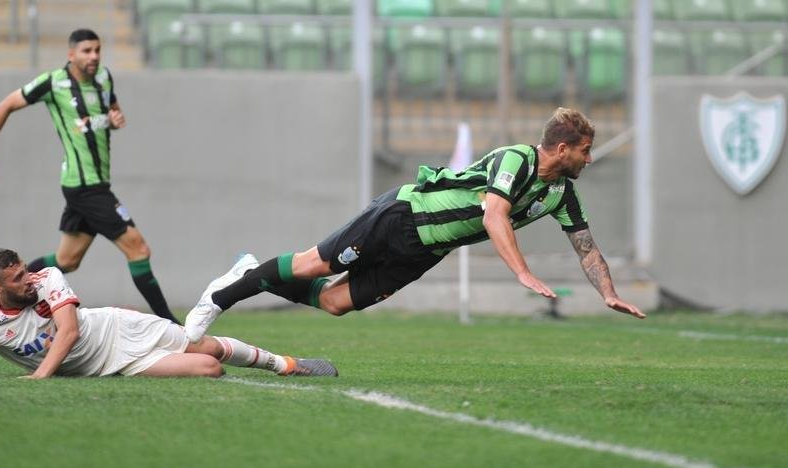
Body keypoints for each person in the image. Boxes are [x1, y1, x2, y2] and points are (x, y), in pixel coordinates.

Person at [185, 107, 646, 342]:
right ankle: (221, 299)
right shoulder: (516, 159)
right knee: (313, 266)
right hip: (402, 216)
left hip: (424, 251)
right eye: (585, 149)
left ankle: (252, 272)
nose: (589, 158)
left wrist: (608, 293)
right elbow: (494, 213)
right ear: (563, 148)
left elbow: (586, 247)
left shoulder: (561, 193)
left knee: (335, 304)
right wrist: (522, 272)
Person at [0, 248, 338, 379]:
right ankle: (227, 283)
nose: (28, 277)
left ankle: (290, 365)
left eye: (26, 270)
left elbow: (69, 330)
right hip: (119, 365)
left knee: (204, 342)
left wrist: (41, 377)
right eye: (17, 277)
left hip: (120, 328)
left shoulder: (48, 277)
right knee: (209, 368)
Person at [0, 28, 177, 322]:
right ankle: (173, 325)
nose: (93, 56)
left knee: (66, 261)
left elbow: (113, 110)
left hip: (90, 184)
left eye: (97, 50)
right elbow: (6, 105)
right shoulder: (54, 83)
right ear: (71, 55)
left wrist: (116, 118)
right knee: (139, 249)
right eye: (86, 51)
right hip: (86, 187)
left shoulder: (105, 78)